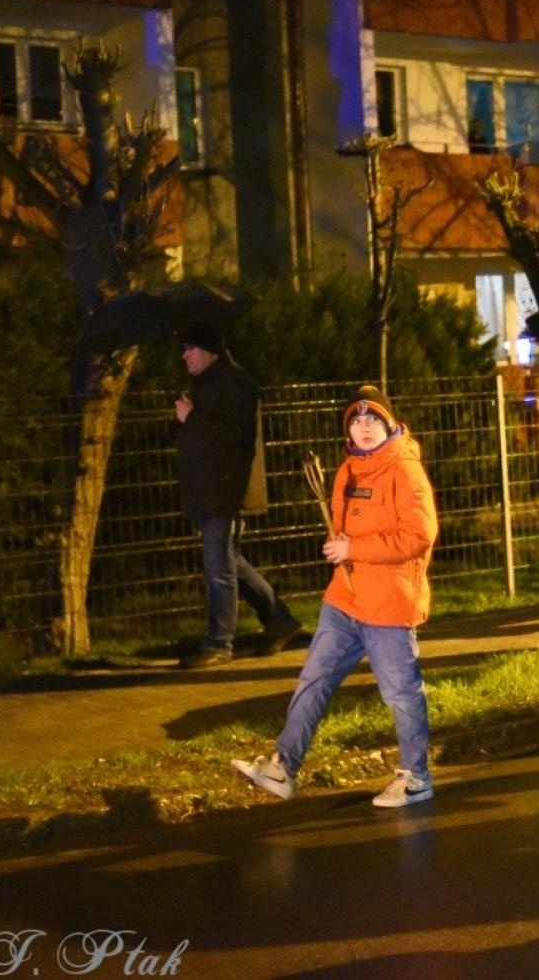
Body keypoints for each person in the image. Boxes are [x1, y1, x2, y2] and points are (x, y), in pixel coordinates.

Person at [233, 387, 441, 807]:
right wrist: (341, 543)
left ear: (388, 425)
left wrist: (353, 549)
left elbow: (420, 535)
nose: (363, 428)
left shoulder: (404, 469)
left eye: (372, 421)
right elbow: (350, 530)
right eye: (356, 421)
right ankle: (282, 768)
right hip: (345, 599)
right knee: (314, 680)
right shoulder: (348, 470)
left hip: (388, 603)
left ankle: (416, 777)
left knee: (401, 694)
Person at [175, 323, 301, 668]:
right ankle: (280, 621)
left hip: (226, 489)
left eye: (190, 347)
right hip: (212, 489)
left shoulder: (234, 383)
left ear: (209, 349)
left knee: (218, 566)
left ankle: (219, 643)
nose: (184, 354)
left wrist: (192, 417)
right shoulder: (209, 384)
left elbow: (233, 435)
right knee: (228, 562)